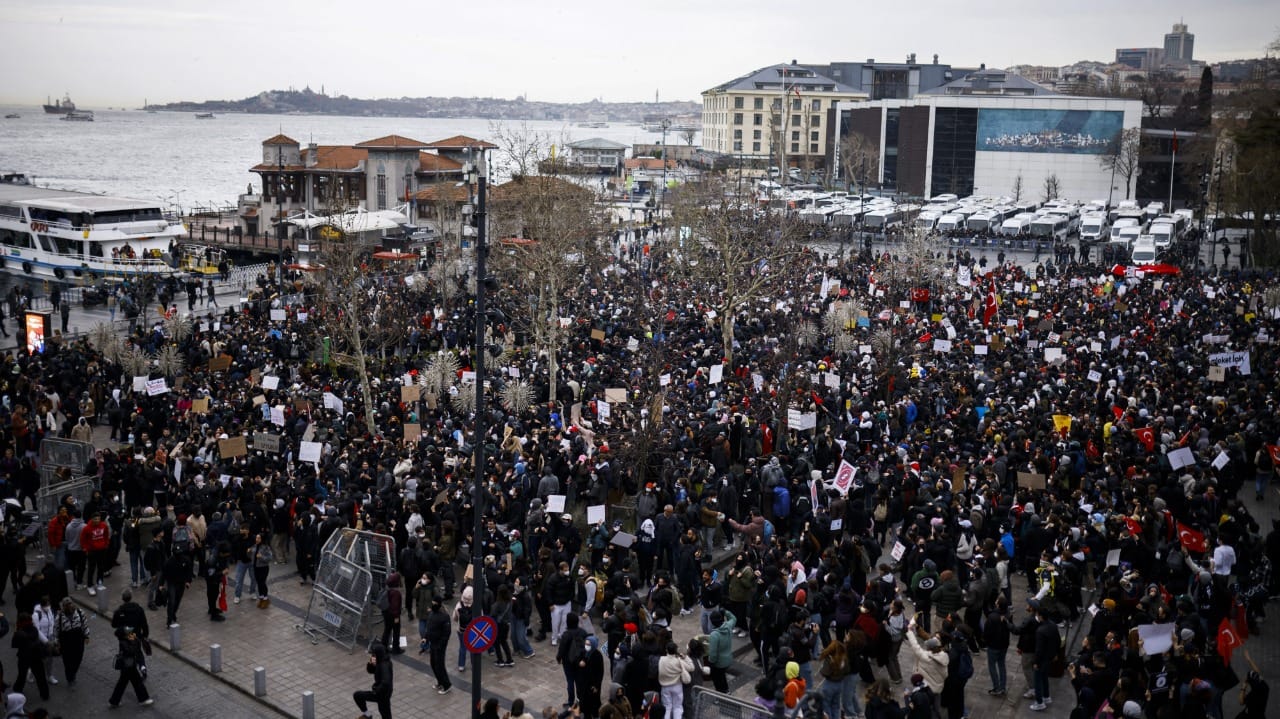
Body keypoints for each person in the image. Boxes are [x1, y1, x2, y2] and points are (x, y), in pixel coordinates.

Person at [108, 623, 152, 708]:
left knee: (123, 683)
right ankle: (143, 699)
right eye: (129, 632)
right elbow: (132, 651)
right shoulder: (124, 642)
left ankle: (114, 701)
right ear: (125, 635)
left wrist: (135, 639)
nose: (131, 633)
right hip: (128, 665)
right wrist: (134, 641)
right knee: (137, 682)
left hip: (128, 665)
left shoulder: (127, 639)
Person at [10, 613, 49, 701]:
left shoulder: (19, 632)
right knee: (40, 676)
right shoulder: (34, 630)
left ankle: (17, 690)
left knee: (22, 675)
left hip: (24, 657)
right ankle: (45, 694)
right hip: (35, 656)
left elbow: (14, 644)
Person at [54, 597, 89, 687]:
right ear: (64, 607)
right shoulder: (60, 617)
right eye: (67, 605)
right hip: (66, 642)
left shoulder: (80, 612)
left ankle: (73, 672)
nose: (69, 606)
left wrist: (87, 636)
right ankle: (70, 678)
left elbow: (84, 624)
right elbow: (56, 630)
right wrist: (57, 642)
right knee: (67, 661)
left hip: (78, 640)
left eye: (70, 604)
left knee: (78, 658)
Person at [354, 640, 393, 719]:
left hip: (383, 694)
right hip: (380, 692)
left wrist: (377, 691)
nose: (372, 655)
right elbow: (370, 671)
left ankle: (368, 715)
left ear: (378, 654)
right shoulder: (380, 661)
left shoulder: (384, 666)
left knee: (385, 714)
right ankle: (367, 715)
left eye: (373, 654)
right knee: (358, 695)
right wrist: (371, 663)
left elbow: (386, 682)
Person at [424, 597, 452, 694]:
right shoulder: (432, 614)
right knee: (433, 663)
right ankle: (440, 681)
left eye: (435, 603)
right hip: (433, 643)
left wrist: (441, 644)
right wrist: (425, 638)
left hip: (439, 645)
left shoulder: (444, 617)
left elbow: (446, 633)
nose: (433, 605)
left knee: (439, 665)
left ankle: (446, 684)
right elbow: (429, 627)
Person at [705, 609, 735, 692]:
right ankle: (727, 691)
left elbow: (713, 654)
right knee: (722, 676)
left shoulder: (714, 635)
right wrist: (726, 612)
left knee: (718, 681)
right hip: (728, 659)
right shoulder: (728, 626)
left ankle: (721, 696)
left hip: (718, 663)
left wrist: (710, 663)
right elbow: (733, 618)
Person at [576, 635, 605, 719]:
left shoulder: (598, 656)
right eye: (586, 643)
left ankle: (595, 714)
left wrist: (596, 685)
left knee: (594, 702)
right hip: (583, 683)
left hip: (593, 685)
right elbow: (577, 660)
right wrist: (579, 663)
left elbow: (600, 672)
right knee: (585, 702)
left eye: (589, 644)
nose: (586, 646)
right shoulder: (583, 652)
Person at [380, 572, 404, 654]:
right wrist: (397, 617)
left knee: (387, 630)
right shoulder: (396, 593)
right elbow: (395, 607)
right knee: (396, 631)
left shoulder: (387, 589)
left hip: (386, 613)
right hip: (393, 615)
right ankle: (396, 648)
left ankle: (383, 647)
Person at [249, 532, 274, 608]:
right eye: (256, 538)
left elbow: (270, 558)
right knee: (259, 583)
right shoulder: (254, 546)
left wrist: (261, 557)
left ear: (262, 539)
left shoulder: (266, 547)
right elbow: (251, 557)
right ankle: (261, 598)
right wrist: (249, 552)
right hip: (255, 567)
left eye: (259, 538)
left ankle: (266, 599)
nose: (257, 539)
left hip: (263, 568)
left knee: (262, 582)